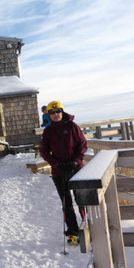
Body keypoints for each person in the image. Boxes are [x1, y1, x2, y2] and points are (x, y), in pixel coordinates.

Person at [40, 101, 87, 246]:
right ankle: (73, 232)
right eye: (52, 113)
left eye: (58, 111)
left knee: (82, 200)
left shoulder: (73, 126)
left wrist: (75, 161)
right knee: (66, 203)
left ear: (62, 112)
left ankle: (88, 227)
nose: (55, 114)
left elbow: (82, 145)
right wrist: (56, 164)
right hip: (59, 172)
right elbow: (44, 151)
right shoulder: (48, 131)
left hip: (76, 169)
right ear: (49, 115)